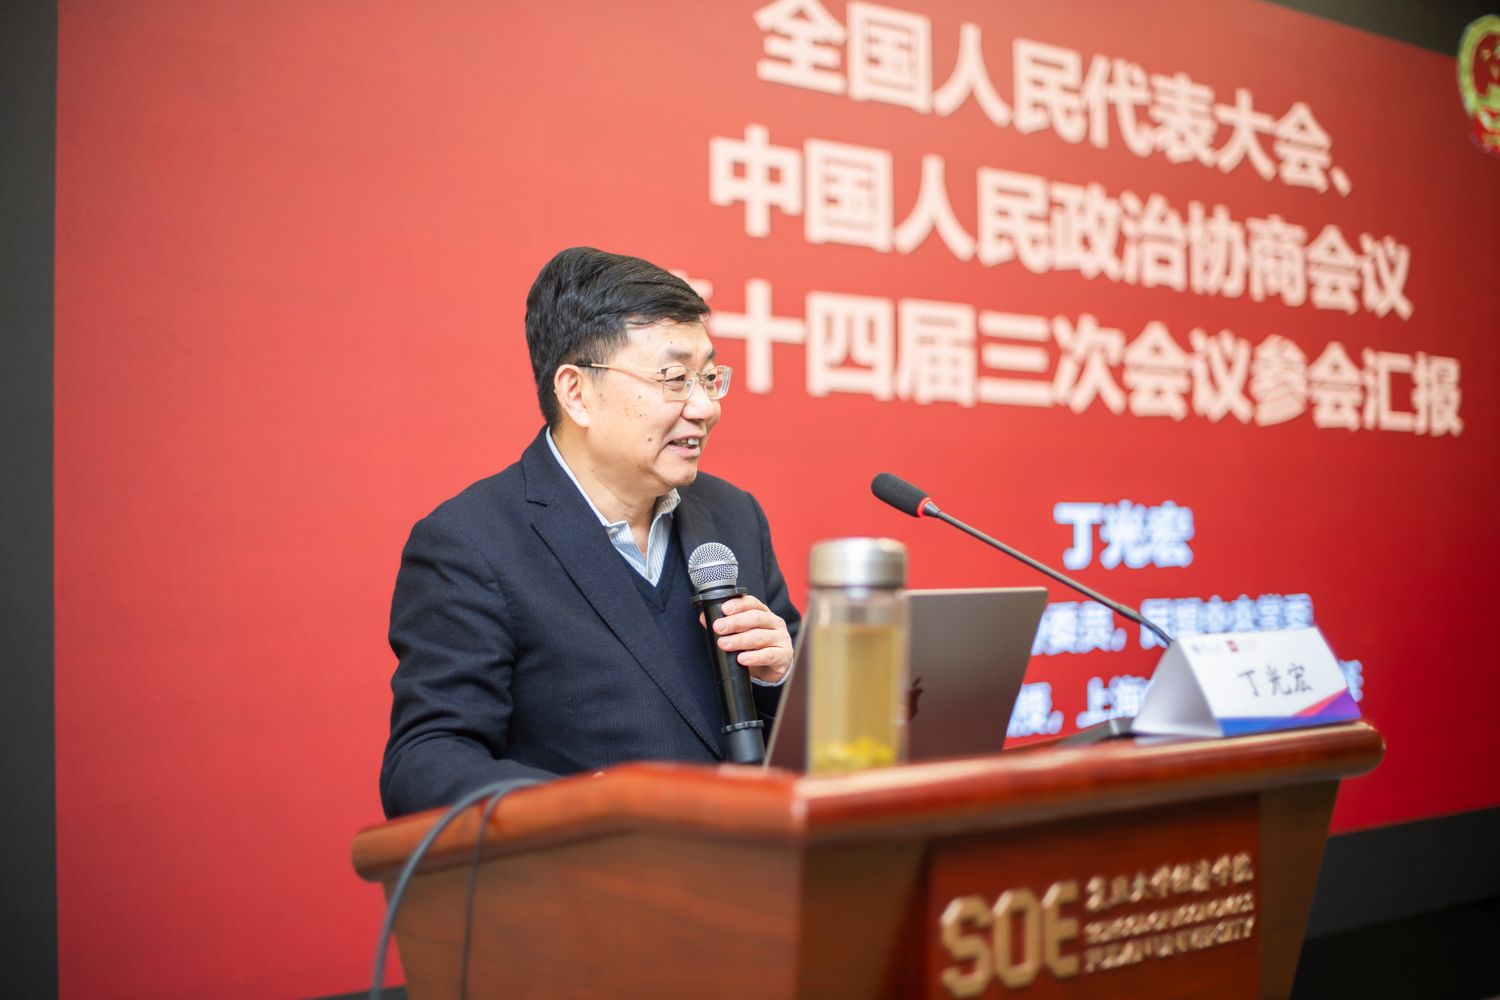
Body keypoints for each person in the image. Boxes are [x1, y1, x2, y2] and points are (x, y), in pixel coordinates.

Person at [380, 247, 799, 818]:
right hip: (590, 869)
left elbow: (818, 738)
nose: (704, 407)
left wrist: (781, 676)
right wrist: (584, 809)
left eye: (708, 377)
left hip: (751, 857)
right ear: (576, 392)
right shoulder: (472, 544)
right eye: (675, 379)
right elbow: (424, 762)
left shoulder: (733, 516)